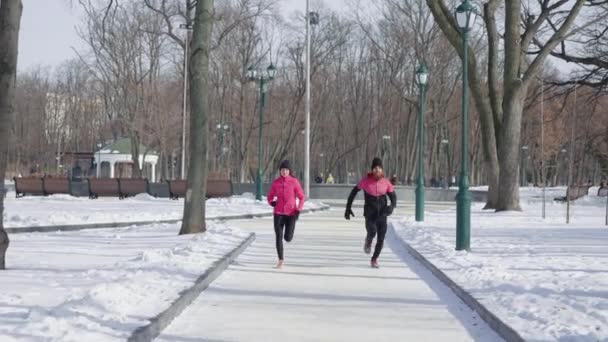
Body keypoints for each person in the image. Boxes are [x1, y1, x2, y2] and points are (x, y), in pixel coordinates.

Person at [344, 157, 397, 268]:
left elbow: (393, 197)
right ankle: (368, 241)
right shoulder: (365, 181)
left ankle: (374, 259)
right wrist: (348, 208)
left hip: (382, 214)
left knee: (381, 238)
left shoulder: (386, 182)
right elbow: (353, 192)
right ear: (372, 170)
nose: (377, 170)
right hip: (370, 214)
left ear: (382, 170)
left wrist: (391, 207)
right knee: (372, 231)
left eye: (379, 168)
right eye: (375, 168)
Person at [267, 160, 305, 268]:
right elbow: (269, 196)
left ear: (289, 171)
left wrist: (298, 210)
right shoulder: (276, 183)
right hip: (278, 213)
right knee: (278, 236)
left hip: (291, 214)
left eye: (286, 170)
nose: (284, 172)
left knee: (287, 238)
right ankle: (280, 259)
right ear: (280, 171)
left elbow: (302, 197)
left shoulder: (294, 182)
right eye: (282, 170)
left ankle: (288, 236)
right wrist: (272, 202)